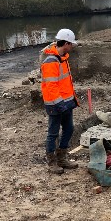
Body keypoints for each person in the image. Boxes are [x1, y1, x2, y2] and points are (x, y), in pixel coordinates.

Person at [41, 28, 80, 174]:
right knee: (53, 133)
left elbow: (64, 84)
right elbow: (51, 86)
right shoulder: (51, 61)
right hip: (55, 104)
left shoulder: (63, 58)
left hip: (65, 103)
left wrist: (69, 102)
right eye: (71, 44)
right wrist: (59, 104)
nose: (72, 47)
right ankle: (52, 162)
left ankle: (62, 158)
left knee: (69, 129)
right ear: (66, 43)